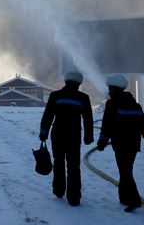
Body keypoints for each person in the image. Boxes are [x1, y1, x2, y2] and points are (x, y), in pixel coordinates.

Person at [96, 74, 144, 213]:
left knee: (125, 171)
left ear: (115, 90)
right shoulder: (135, 105)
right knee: (126, 170)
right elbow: (143, 125)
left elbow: (107, 126)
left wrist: (102, 142)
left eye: (110, 89)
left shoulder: (111, 105)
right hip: (133, 144)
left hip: (120, 144)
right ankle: (123, 197)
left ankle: (135, 200)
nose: (109, 91)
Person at [39, 72, 94, 206]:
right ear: (79, 83)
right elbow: (88, 119)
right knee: (74, 165)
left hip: (57, 134)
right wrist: (88, 136)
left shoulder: (55, 96)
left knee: (58, 162)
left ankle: (58, 190)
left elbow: (48, 116)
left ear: (66, 81)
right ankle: (74, 197)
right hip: (74, 135)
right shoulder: (83, 98)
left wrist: (43, 132)